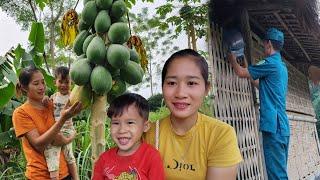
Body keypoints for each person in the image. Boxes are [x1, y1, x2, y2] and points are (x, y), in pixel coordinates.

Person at [144, 49, 243, 180]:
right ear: (163, 87)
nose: (180, 93)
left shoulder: (220, 134)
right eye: (171, 83)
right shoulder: (148, 133)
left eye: (191, 83)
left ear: (206, 89)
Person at [228, 27, 289, 179]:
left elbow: (241, 73)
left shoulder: (270, 63)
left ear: (268, 44)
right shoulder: (282, 68)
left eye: (264, 45)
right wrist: (246, 64)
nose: (263, 48)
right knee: (279, 171)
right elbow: (258, 83)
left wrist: (232, 58)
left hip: (273, 127)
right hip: (283, 127)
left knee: (276, 175)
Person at [12, 66, 82, 180]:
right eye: (36, 84)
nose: (41, 87)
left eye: (43, 82)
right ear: (25, 88)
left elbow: (67, 131)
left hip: (65, 173)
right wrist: (63, 119)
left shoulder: (51, 104)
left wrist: (70, 137)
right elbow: (39, 145)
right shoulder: (20, 113)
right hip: (39, 176)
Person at [93, 93, 165, 180]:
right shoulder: (104, 159)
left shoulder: (151, 157)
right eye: (116, 123)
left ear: (145, 126)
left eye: (130, 123)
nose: (122, 130)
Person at [43, 66, 79, 180]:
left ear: (71, 83)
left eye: (67, 82)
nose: (63, 85)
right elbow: (47, 106)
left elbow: (79, 106)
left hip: (67, 130)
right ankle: (55, 177)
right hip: (56, 130)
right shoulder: (53, 97)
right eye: (60, 82)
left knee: (69, 156)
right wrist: (45, 100)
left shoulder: (72, 97)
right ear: (55, 82)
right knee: (52, 153)